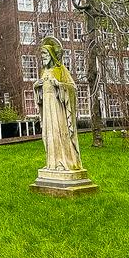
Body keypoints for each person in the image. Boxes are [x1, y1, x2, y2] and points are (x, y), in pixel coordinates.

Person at [34, 36, 82, 170]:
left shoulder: (61, 70)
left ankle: (63, 161)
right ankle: (52, 163)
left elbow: (72, 88)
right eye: (41, 54)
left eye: (45, 54)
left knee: (59, 133)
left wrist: (59, 85)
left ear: (51, 54)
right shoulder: (43, 72)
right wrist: (36, 86)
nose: (43, 57)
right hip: (47, 109)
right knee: (49, 134)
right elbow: (41, 95)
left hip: (58, 109)